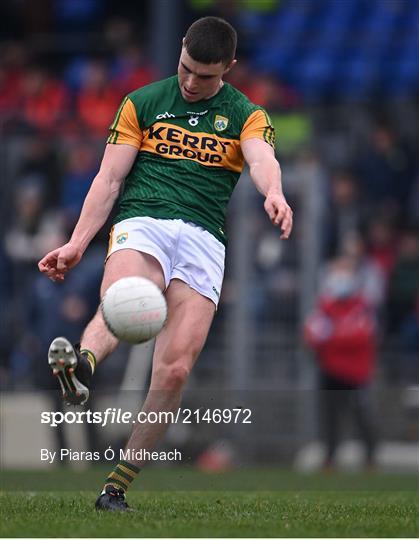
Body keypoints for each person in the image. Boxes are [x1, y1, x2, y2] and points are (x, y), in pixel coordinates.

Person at [38, 16, 293, 511]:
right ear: (179, 50)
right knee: (126, 297)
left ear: (229, 68)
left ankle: (115, 489)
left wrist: (276, 193)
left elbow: (262, 160)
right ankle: (82, 368)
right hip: (146, 220)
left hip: (204, 240)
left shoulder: (246, 114)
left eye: (206, 76)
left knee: (174, 371)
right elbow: (109, 180)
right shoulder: (143, 102)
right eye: (186, 69)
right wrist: (75, 243)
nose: (191, 83)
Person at [304, 256, 377, 469]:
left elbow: (360, 335)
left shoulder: (361, 305)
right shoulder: (326, 305)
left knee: (362, 417)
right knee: (330, 417)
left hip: (356, 373)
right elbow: (310, 334)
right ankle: (330, 458)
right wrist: (333, 336)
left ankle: (370, 458)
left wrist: (331, 336)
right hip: (330, 371)